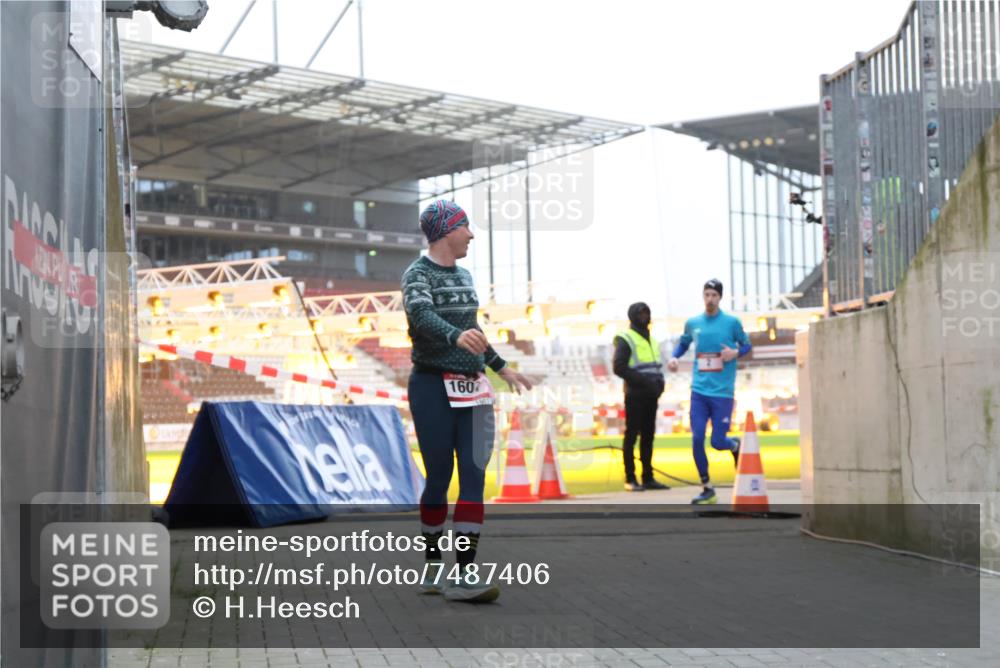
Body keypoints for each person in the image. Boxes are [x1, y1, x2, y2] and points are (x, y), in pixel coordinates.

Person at [402, 200, 532, 603]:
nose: (472, 235)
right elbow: (420, 315)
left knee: (474, 473)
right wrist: (453, 337)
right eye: (465, 227)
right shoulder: (417, 274)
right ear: (446, 232)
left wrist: (500, 366)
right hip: (432, 387)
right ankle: (433, 564)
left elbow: (473, 329)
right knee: (439, 476)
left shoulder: (466, 276)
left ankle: (465, 573)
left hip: (473, 389)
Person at [667, 279, 751, 505]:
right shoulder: (693, 323)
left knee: (717, 442)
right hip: (699, 391)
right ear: (702, 296)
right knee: (696, 438)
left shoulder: (731, 323)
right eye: (707, 294)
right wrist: (675, 356)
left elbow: (747, 345)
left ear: (720, 297)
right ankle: (707, 489)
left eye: (714, 295)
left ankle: (735, 446)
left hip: (723, 392)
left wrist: (734, 353)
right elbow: (684, 343)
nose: (710, 299)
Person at [612, 302, 668, 491]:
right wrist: (644, 381)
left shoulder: (652, 340)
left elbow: (656, 366)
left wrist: (659, 384)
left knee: (648, 437)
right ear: (632, 316)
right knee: (632, 436)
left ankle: (648, 477)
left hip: (651, 395)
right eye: (640, 313)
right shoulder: (626, 338)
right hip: (635, 395)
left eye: (646, 312)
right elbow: (618, 367)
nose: (644, 316)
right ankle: (630, 478)